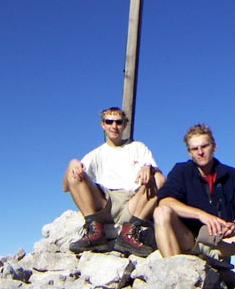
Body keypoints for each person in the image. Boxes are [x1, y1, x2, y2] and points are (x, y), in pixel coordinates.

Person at [154, 123, 235, 287]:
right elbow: (165, 200)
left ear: (214, 146)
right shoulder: (181, 171)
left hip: (221, 241)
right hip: (188, 239)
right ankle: (175, 281)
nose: (200, 152)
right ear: (189, 152)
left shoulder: (232, 175)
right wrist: (201, 215)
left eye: (204, 146)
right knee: (161, 212)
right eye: (194, 148)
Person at [63, 106, 165, 257]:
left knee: (159, 178)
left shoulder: (137, 147)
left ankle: (129, 233)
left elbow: (159, 176)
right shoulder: (96, 154)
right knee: (74, 174)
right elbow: (67, 186)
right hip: (106, 202)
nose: (114, 126)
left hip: (133, 203)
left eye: (118, 122)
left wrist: (149, 167)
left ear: (124, 125)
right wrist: (72, 163)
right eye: (109, 122)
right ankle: (95, 230)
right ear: (103, 124)